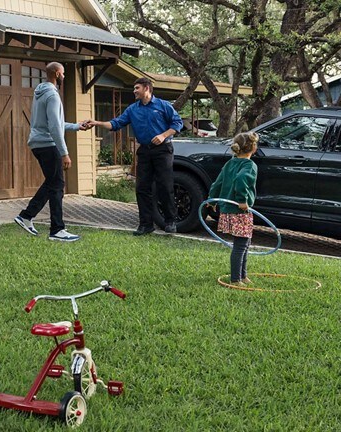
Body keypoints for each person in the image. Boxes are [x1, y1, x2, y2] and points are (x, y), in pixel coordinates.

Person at [85, 78, 183, 235]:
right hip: (144, 151)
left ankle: (170, 221)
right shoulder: (132, 109)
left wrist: (163, 135)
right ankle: (145, 225)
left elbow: (177, 124)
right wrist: (97, 123)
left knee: (164, 185)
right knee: (142, 188)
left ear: (146, 88)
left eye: (137, 88)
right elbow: (116, 123)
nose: (134, 91)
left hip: (163, 150)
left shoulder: (163, 105)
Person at [13, 62, 88, 242]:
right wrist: (64, 152)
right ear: (56, 73)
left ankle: (27, 216)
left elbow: (54, 123)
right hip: (48, 144)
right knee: (56, 185)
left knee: (53, 184)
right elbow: (54, 127)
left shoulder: (40, 93)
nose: (65, 76)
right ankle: (56, 230)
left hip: (38, 144)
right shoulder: (53, 96)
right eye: (63, 73)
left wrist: (77, 126)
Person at [207, 132, 259, 286]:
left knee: (245, 243)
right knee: (241, 244)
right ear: (253, 148)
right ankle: (236, 279)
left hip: (228, 208)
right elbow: (241, 179)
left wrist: (212, 199)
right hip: (239, 210)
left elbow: (218, 182)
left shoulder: (230, 163)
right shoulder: (250, 165)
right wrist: (242, 200)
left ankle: (243, 276)